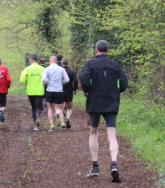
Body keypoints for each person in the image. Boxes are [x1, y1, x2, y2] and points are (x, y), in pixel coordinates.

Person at [80, 40, 128, 182]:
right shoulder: (115, 65)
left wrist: (88, 90)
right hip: (111, 102)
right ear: (108, 51)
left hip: (95, 101)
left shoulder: (89, 64)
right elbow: (124, 84)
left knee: (93, 131)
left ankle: (95, 166)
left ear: (96, 50)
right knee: (111, 134)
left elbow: (84, 80)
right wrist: (116, 91)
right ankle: (114, 164)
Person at [41, 56, 69, 131]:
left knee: (50, 108)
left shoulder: (47, 69)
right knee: (58, 108)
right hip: (59, 90)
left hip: (50, 90)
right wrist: (60, 82)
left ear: (50, 61)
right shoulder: (62, 69)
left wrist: (48, 82)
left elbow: (43, 79)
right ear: (57, 61)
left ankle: (52, 126)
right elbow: (67, 79)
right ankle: (58, 114)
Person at [20, 54, 45, 131]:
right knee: (39, 107)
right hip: (39, 91)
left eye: (29, 59)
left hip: (30, 91)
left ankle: (36, 125)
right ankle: (38, 114)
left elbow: (22, 80)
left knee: (33, 107)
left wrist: (27, 81)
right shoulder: (42, 69)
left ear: (31, 59)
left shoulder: (27, 69)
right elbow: (46, 79)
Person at [61, 58, 78, 129]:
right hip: (69, 92)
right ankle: (67, 118)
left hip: (60, 91)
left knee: (60, 109)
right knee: (70, 108)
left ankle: (62, 124)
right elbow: (76, 81)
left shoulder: (59, 71)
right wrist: (74, 89)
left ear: (61, 64)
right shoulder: (72, 72)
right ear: (68, 64)